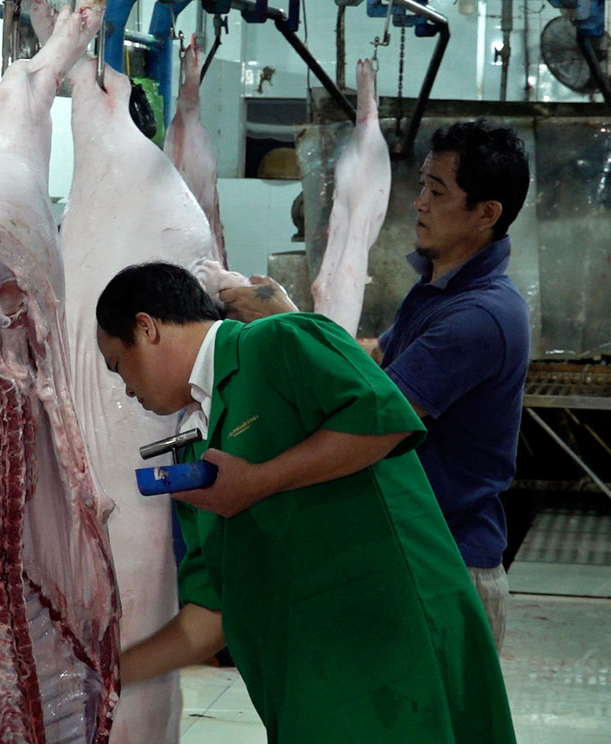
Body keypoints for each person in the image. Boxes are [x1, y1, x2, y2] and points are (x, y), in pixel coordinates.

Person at [98, 261, 515, 742]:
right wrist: (113, 669)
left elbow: (386, 419)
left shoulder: (279, 341)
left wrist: (258, 481)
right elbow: (211, 617)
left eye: (118, 365)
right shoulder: (197, 452)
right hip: (311, 673)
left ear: (146, 327)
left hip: (390, 647)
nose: (127, 389)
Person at [220, 120, 531, 651]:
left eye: (437, 191)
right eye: (422, 186)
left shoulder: (479, 316)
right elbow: (371, 359)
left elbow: (372, 423)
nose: (419, 203)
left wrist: (256, 481)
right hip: (409, 552)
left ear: (487, 214)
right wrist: (291, 316)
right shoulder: (437, 292)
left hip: (446, 564)